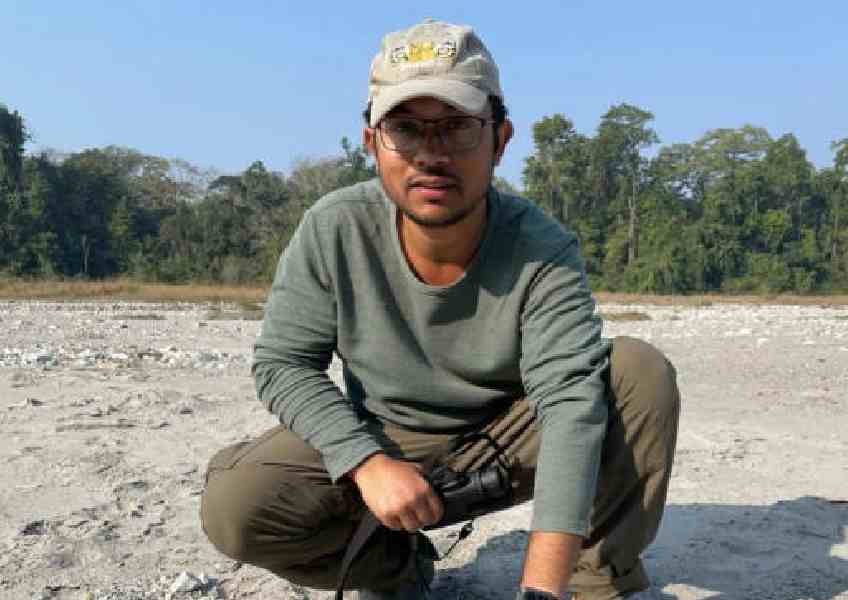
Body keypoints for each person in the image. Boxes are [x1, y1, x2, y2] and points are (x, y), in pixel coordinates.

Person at [200, 18, 680, 600]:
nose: (431, 154)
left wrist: (540, 592)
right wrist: (367, 462)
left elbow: (571, 402)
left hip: (507, 441)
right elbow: (284, 364)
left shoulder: (542, 249)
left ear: (500, 139)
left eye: (456, 128)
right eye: (405, 129)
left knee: (636, 373)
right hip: (385, 440)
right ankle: (396, 569)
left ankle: (595, 583)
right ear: (372, 141)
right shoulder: (334, 228)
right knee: (236, 502)